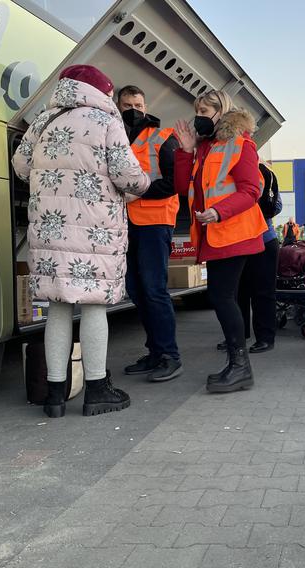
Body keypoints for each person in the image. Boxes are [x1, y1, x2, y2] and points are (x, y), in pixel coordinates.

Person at [11, 65, 150, 417]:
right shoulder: (106, 120)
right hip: (94, 230)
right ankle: (97, 388)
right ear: (101, 91)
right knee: (92, 306)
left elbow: (20, 166)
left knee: (57, 307)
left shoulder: (43, 120)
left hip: (50, 229)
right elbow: (126, 174)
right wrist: (145, 184)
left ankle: (55, 394)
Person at [173, 90, 266, 393]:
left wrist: (218, 210)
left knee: (221, 296)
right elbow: (182, 187)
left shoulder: (241, 145)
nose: (199, 115)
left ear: (221, 111)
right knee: (224, 297)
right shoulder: (206, 147)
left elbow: (252, 190)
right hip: (216, 233)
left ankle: (240, 367)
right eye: (197, 109)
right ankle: (237, 365)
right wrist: (186, 150)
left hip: (233, 231)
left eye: (205, 109)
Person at [116, 85, 184, 382]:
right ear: (118, 106)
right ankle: (155, 351)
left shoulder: (162, 136)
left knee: (154, 289)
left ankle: (170, 355)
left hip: (155, 221)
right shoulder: (115, 137)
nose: (134, 108)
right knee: (135, 288)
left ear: (146, 106)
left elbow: (174, 183)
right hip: (125, 224)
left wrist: (137, 195)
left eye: (139, 104)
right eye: (128, 103)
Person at [235, 162, 283, 353]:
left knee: (262, 292)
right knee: (239, 292)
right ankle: (240, 334)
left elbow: (275, 206)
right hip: (242, 240)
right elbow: (276, 206)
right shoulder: (260, 172)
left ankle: (265, 338)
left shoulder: (262, 173)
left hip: (262, 238)